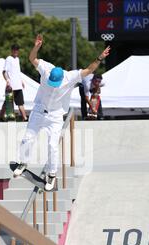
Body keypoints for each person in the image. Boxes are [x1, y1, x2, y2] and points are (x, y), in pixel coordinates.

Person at [13, 34, 111, 191]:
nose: (52, 85)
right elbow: (32, 58)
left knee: (53, 145)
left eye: (55, 83)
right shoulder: (46, 69)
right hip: (39, 111)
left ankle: (52, 175)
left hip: (55, 116)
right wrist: (36, 47)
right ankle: (23, 162)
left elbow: (89, 69)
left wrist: (99, 58)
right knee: (27, 139)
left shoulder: (70, 77)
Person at [0, 44, 28, 121]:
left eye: (17, 50)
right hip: (11, 86)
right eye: (14, 50)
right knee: (8, 103)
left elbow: (17, 72)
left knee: (20, 103)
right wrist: (8, 81)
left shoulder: (17, 59)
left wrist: (21, 81)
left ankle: (25, 118)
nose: (16, 51)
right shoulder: (9, 59)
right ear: (12, 50)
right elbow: (4, 72)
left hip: (18, 85)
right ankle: (0, 117)